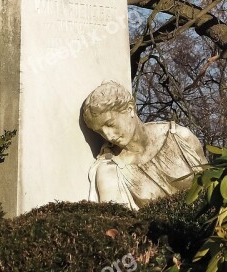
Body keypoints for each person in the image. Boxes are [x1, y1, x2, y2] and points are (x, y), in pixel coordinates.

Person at [81, 81, 208, 210]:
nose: (109, 136)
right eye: (100, 132)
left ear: (129, 109)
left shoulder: (180, 137)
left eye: (110, 124)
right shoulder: (110, 170)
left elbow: (213, 187)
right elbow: (118, 223)